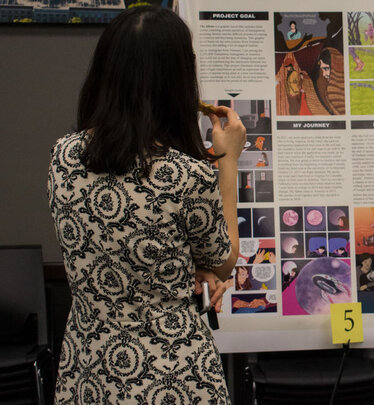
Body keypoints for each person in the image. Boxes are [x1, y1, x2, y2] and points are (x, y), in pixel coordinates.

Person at [47, 7, 246, 404]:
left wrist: (187, 265)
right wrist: (227, 162)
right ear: (177, 80)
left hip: (88, 364)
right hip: (170, 371)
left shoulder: (64, 156)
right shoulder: (186, 174)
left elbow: (116, 243)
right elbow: (224, 261)